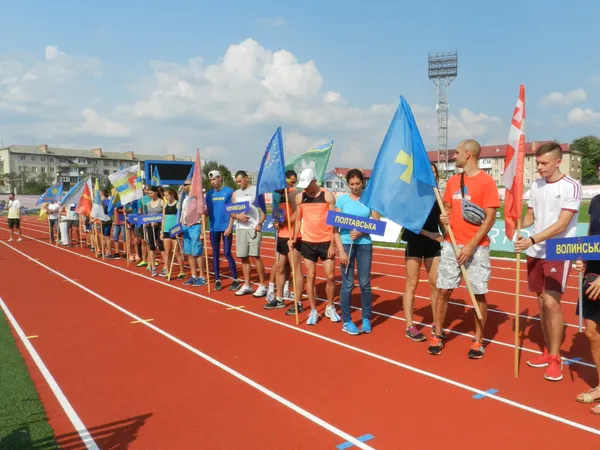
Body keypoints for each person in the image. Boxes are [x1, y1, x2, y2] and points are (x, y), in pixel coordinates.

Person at [514, 142, 581, 382]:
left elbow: (562, 224)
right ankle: (546, 349)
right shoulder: (535, 185)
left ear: (557, 162)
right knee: (541, 301)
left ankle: (555, 357)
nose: (539, 167)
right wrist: (520, 223)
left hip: (558, 249)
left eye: (543, 163)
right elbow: (532, 215)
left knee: (552, 303)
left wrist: (531, 238)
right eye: (537, 162)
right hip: (535, 250)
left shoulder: (571, 186)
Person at [430, 139, 499, 358]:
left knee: (478, 294)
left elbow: (490, 219)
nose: (454, 156)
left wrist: (471, 245)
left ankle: (478, 340)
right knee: (443, 291)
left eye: (457, 152)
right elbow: (448, 210)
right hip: (451, 245)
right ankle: (438, 333)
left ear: (468, 154)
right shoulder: (452, 182)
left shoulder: (487, 182)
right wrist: (443, 219)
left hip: (477, 248)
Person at [289, 168, 340, 326]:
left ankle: (330, 306)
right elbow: (298, 220)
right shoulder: (300, 197)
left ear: (314, 181)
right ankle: (313, 310)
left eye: (307, 185)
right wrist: (293, 237)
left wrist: (332, 244)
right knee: (310, 276)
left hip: (326, 241)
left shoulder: (327, 195)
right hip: (308, 242)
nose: (305, 188)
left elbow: (334, 220)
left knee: (330, 277)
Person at [334, 169, 380, 334]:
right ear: (348, 184)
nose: (355, 187)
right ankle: (347, 321)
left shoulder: (369, 200)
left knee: (365, 284)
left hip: (364, 245)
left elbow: (377, 223)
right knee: (347, 284)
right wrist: (341, 251)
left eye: (358, 183)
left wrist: (361, 230)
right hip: (346, 245)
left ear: (363, 183)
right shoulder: (342, 201)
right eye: (352, 184)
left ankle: (366, 317)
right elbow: (334, 228)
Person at [401, 163, 444, 341]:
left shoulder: (437, 196)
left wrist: (448, 238)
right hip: (415, 241)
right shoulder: (413, 196)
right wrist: (431, 234)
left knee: (435, 284)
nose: (431, 175)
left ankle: (436, 323)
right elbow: (409, 224)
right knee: (412, 283)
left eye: (434, 173)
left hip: (433, 244)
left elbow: (442, 221)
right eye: (428, 172)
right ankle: (410, 325)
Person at [574, 166, 600, 414]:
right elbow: (592, 235)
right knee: (592, 332)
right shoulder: (596, 201)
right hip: (593, 274)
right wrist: (584, 257)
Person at [264, 170, 304, 314]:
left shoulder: (293, 194)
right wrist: (276, 222)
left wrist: (283, 221)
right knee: (280, 268)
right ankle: (279, 298)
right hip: (281, 235)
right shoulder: (277, 194)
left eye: (293, 182)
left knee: (296, 269)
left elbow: (297, 215)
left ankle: (298, 302)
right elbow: (276, 213)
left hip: (294, 236)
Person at [227, 170, 267, 297]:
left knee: (255, 256)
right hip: (240, 228)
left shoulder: (256, 190)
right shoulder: (235, 194)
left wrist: (259, 223)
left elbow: (264, 210)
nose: (238, 184)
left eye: (240, 181)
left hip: (253, 228)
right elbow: (231, 211)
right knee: (243, 257)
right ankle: (247, 285)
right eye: (237, 182)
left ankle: (262, 285)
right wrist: (238, 217)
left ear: (246, 178)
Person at [206, 170, 239, 291]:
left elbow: (232, 210)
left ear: (220, 178)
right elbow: (208, 212)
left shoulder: (229, 192)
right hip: (213, 227)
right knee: (215, 254)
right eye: (211, 180)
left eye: (214, 179)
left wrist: (230, 226)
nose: (213, 182)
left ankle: (235, 279)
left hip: (225, 227)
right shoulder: (209, 194)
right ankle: (217, 280)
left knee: (226, 253)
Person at [181, 178, 207, 286]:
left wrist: (202, 231)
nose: (184, 186)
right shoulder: (185, 198)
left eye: (186, 184)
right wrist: (180, 227)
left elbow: (204, 214)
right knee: (189, 253)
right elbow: (182, 214)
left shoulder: (199, 198)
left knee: (197, 252)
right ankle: (193, 276)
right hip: (185, 227)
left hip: (196, 226)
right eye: (184, 184)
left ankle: (202, 276)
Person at [161, 187, 186, 280]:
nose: (166, 197)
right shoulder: (165, 205)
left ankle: (182, 271)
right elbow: (163, 218)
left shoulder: (178, 204)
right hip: (166, 230)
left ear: (172, 194)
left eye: (167, 195)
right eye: (165, 195)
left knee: (177, 252)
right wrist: (162, 231)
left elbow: (180, 217)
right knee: (167, 252)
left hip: (174, 230)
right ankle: (167, 272)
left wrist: (179, 230)